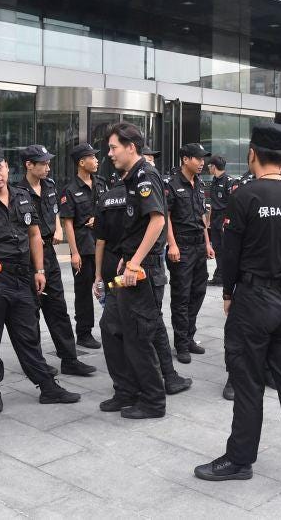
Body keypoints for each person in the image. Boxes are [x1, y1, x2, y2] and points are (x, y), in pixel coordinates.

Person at [193, 123, 281, 495]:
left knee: (248, 382)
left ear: (252, 153)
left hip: (254, 298)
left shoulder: (245, 195)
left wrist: (229, 292)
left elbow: (230, 253)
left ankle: (239, 460)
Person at [0, 147, 80, 413]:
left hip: (23, 279)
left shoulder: (23, 197)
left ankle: (47, 387)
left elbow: (35, 235)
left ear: (6, 167)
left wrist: (39, 271)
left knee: (28, 336)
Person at [94, 173, 192, 399]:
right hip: (138, 265)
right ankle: (163, 379)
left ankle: (131, 385)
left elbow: (100, 239)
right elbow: (159, 223)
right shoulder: (143, 194)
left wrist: (98, 274)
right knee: (147, 326)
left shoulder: (107, 197)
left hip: (118, 264)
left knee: (118, 328)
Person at [95, 122, 170, 418]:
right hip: (125, 269)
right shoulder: (130, 179)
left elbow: (157, 221)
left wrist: (136, 260)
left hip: (141, 272)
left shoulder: (145, 176)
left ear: (131, 147)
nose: (110, 153)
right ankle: (125, 391)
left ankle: (153, 401)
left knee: (139, 337)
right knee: (111, 328)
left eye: (114, 147)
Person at [17, 144, 96, 377]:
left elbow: (56, 209)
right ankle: (37, 364)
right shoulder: (17, 191)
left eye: (48, 162)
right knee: (31, 313)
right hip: (29, 259)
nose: (47, 167)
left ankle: (69, 359)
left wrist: (57, 226)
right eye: (42, 163)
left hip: (49, 255)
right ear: (28, 165)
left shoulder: (50, 186)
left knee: (58, 309)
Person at [165, 142, 214, 363]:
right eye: (198, 158)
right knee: (181, 296)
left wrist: (207, 242)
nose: (202, 162)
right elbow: (164, 217)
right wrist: (172, 245)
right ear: (185, 159)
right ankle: (181, 343)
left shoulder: (199, 183)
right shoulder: (172, 184)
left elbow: (203, 216)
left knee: (198, 292)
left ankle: (189, 336)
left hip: (198, 246)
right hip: (181, 246)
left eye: (203, 159)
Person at [60, 143, 107, 349]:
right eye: (92, 157)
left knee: (110, 287)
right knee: (83, 293)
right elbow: (67, 223)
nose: (97, 160)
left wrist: (98, 219)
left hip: (103, 245)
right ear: (81, 162)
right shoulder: (70, 190)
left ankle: (113, 326)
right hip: (83, 247)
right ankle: (84, 333)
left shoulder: (102, 184)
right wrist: (74, 253)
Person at [207, 156, 238, 286]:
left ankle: (226, 276)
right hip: (215, 217)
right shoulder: (214, 180)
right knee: (217, 248)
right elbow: (213, 203)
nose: (208, 168)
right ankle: (219, 275)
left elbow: (233, 204)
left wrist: (226, 222)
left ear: (214, 166)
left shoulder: (229, 181)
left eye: (209, 166)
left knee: (226, 248)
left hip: (225, 217)